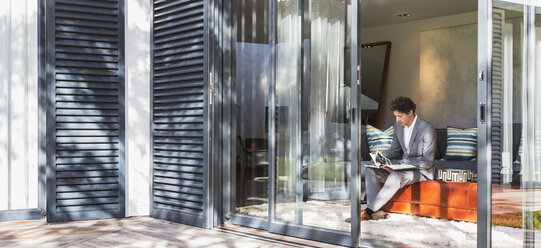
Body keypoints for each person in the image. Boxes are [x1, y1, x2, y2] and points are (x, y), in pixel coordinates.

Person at [360, 96, 436, 221]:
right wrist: (379, 157)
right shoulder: (398, 126)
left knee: (395, 176)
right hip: (403, 168)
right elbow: (395, 150)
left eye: (400, 116)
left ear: (410, 112)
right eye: (395, 116)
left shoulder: (427, 129)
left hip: (422, 171)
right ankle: (377, 210)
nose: (397, 120)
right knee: (370, 171)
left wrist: (402, 166)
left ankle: (368, 211)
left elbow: (428, 161)